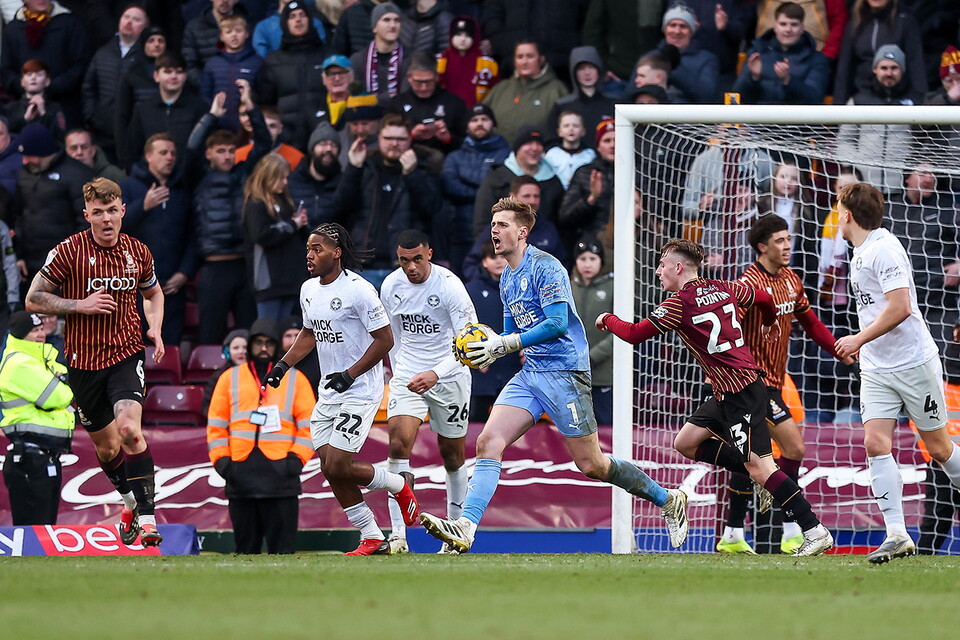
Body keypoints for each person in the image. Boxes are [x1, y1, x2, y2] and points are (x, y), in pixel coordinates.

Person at [419, 197, 689, 554]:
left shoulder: (547, 268)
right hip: (532, 374)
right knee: (488, 442)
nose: (494, 231)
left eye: (501, 225)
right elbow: (508, 333)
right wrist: (487, 351)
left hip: (565, 373)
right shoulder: (507, 278)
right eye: (492, 224)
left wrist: (506, 342)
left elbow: (558, 323)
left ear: (522, 231)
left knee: (592, 464)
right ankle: (466, 528)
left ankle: (669, 500)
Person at [598, 238, 835, 556]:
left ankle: (815, 530)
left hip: (741, 392)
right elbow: (765, 299)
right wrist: (768, 324)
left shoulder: (678, 304)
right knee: (686, 443)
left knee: (762, 469)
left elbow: (634, 334)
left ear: (678, 267)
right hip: (728, 391)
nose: (657, 271)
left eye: (662, 264)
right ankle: (764, 475)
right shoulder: (726, 287)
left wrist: (606, 319)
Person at [263, 222, 420, 556]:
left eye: (317, 249)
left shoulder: (359, 290)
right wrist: (282, 365)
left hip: (361, 389)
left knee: (338, 464)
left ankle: (399, 484)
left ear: (337, 253)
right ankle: (372, 534)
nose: (309, 255)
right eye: (308, 248)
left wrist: (350, 374)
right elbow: (308, 333)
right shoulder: (308, 289)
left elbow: (385, 340)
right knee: (330, 467)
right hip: (329, 391)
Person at [25, 177, 166, 547]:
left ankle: (149, 520)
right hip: (83, 363)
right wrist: (78, 305)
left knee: (129, 431)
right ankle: (129, 503)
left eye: (112, 210)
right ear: (87, 215)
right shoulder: (69, 251)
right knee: (107, 448)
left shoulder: (139, 252)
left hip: (125, 354)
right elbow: (33, 299)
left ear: (122, 210)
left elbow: (153, 293)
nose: (106, 219)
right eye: (98, 212)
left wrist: (155, 327)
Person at [833, 182, 960, 563]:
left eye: (839, 210)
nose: (838, 216)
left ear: (849, 215)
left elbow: (901, 306)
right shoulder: (860, 253)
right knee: (875, 444)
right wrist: (865, 346)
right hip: (877, 367)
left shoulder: (883, 248)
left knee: (939, 449)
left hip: (912, 363)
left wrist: (858, 339)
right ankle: (897, 534)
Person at [717, 214, 853, 555]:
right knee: (792, 448)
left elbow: (811, 323)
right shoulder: (748, 285)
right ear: (762, 247)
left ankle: (734, 533)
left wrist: (841, 351)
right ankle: (791, 527)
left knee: (750, 457)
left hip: (773, 382)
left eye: (788, 239)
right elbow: (728, 332)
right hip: (748, 382)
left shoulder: (792, 279)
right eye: (779, 240)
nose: (787, 245)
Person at [379, 229, 478, 554]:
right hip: (409, 375)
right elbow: (391, 334)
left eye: (417, 259)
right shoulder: (391, 286)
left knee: (453, 454)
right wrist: (399, 370)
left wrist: (435, 373)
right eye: (404, 260)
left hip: (449, 375)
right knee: (397, 444)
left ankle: (454, 534)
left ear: (430, 254)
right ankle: (397, 536)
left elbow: (470, 340)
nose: (411, 267)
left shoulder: (449, 286)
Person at [207, 317, 314, 554]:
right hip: (240, 473)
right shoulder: (229, 378)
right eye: (258, 343)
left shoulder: (295, 379)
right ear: (250, 345)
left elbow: (309, 424)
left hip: (281, 474)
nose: (263, 348)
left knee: (283, 551)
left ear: (277, 346)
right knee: (245, 550)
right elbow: (216, 424)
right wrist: (223, 463)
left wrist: (296, 460)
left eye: (269, 343)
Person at [333, 113, 442, 290]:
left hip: (404, 267)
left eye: (400, 139)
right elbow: (341, 206)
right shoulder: (365, 166)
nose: (394, 143)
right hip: (363, 265)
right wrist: (353, 169)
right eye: (389, 138)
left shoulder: (423, 168)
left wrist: (412, 175)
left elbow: (432, 209)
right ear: (379, 139)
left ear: (409, 141)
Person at [120, 134, 198, 345]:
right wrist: (142, 206)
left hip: (172, 286)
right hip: (135, 287)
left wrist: (185, 272)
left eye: (173, 153)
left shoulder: (181, 191)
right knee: (135, 348)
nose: (170, 157)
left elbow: (193, 235)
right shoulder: (128, 187)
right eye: (163, 153)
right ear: (148, 156)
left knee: (169, 346)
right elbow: (114, 228)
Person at [0, 311, 74, 525]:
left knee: (46, 529)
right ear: (20, 335)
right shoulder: (19, 363)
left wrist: (61, 378)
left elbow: (66, 377)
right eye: (34, 331)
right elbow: (61, 395)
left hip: (45, 456)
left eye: (41, 329)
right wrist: (61, 381)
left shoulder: (40, 359)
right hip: (28, 459)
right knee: (34, 533)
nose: (40, 334)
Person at [12, 122, 94, 285]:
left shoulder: (76, 174)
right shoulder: (24, 174)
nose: (25, 160)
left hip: (66, 263)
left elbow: (87, 219)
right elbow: (18, 215)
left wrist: (72, 256)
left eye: (29, 155)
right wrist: (18, 255)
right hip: (31, 264)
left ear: (42, 152)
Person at [836, 45, 915, 193]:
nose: (889, 73)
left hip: (902, 190)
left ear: (902, 70)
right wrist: (856, 169)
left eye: (894, 68)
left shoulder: (915, 100)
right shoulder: (858, 101)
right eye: (884, 68)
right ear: (875, 69)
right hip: (865, 188)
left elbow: (923, 141)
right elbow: (844, 140)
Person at [243, 154, 310, 321]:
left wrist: (301, 224)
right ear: (268, 176)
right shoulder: (256, 203)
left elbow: (297, 236)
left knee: (287, 333)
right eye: (281, 178)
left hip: (291, 280)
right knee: (268, 331)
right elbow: (261, 235)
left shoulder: (285, 201)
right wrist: (293, 225)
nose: (285, 182)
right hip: (268, 283)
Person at [81, 4, 149, 160]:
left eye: (136, 19)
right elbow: (89, 88)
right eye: (126, 17)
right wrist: (92, 115)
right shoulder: (103, 52)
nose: (129, 22)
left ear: (145, 27)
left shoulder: (146, 57)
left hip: (133, 131)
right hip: (103, 130)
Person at [463, 239, 520, 421]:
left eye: (503, 256)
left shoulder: (522, 289)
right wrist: (475, 356)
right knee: (475, 426)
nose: (498, 261)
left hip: (513, 370)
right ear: (484, 262)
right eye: (492, 257)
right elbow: (462, 329)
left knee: (511, 425)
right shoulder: (470, 291)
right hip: (480, 373)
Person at [732, 1, 829, 105]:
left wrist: (788, 81)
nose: (788, 29)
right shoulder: (757, 53)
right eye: (783, 24)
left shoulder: (816, 59)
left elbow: (815, 99)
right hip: (761, 118)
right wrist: (753, 77)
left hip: (797, 119)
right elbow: (737, 97)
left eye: (794, 25)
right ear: (775, 27)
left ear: (802, 29)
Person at [832, 0, 926, 106]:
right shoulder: (855, 23)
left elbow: (916, 65)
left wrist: (920, 102)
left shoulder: (905, 22)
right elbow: (844, 68)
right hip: (862, 97)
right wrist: (838, 105)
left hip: (898, 98)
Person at [481, 39, 568, 147]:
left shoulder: (557, 89)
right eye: (520, 57)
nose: (524, 61)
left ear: (541, 59)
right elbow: (481, 117)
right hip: (499, 156)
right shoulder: (501, 88)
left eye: (530, 56)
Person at [387, 52, 467, 155]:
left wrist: (448, 138)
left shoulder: (455, 103)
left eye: (429, 82)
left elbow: (467, 144)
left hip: (445, 159)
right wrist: (411, 136)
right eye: (418, 82)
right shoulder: (396, 104)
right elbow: (387, 140)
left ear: (436, 77)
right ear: (409, 78)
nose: (424, 88)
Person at [569, 237, 613, 425]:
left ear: (601, 261)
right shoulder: (568, 287)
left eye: (593, 259)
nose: (587, 264)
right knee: (577, 428)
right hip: (573, 372)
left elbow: (619, 330)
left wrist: (592, 356)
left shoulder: (614, 287)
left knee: (605, 427)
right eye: (583, 259)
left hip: (603, 375)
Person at [200, 14, 262, 133]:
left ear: (247, 34)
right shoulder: (213, 63)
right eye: (228, 32)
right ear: (221, 36)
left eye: (238, 31)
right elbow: (204, 94)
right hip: (217, 127)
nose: (234, 35)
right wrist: (213, 114)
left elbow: (262, 95)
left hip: (248, 127)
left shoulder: (257, 62)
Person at [546, 46, 615, 144]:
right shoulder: (562, 106)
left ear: (599, 70)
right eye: (581, 69)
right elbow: (552, 140)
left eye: (591, 67)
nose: (587, 73)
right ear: (574, 72)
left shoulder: (615, 103)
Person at [287, 122, 344, 229]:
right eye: (323, 144)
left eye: (333, 145)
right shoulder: (292, 181)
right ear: (312, 149)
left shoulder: (344, 184)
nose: (328, 149)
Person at [350, 2, 408, 105]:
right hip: (367, 118)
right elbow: (356, 97)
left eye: (397, 20)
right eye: (386, 20)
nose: (393, 25)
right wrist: (384, 98)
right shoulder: (358, 60)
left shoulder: (410, 58)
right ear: (374, 27)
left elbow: (405, 96)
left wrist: (374, 99)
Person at [436, 15, 499, 108]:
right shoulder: (440, 60)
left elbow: (496, 91)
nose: (463, 39)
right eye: (458, 34)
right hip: (445, 110)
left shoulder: (488, 64)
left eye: (467, 35)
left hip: (475, 113)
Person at [543, 111, 596, 190]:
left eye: (576, 126)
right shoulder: (552, 154)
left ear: (583, 131)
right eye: (566, 126)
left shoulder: (590, 155)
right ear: (559, 132)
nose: (571, 129)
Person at [202, 328, 248, 414]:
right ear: (228, 351)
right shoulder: (219, 376)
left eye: (245, 347)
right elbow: (207, 406)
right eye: (235, 348)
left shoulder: (259, 373)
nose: (241, 351)